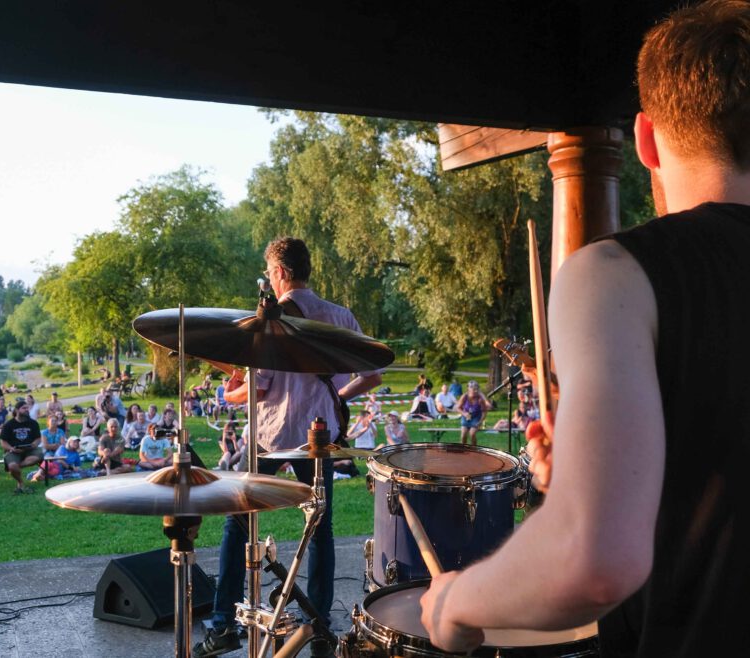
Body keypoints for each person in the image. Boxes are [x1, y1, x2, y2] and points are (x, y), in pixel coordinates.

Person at [420, 3, 750, 656]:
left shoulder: (617, 273)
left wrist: (455, 602)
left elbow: (597, 559)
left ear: (646, 138)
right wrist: (584, 479)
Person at [194, 237, 382, 657]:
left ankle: (224, 623)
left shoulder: (268, 323)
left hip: (271, 437)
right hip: (319, 438)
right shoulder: (340, 317)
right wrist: (337, 396)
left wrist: (229, 394)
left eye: (269, 273)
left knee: (238, 523)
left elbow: (257, 389)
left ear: (279, 272)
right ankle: (317, 622)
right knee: (320, 531)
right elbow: (373, 376)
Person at [0, 400, 43, 494]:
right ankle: (21, 482)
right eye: (24, 408)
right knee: (12, 465)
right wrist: (11, 448)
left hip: (30, 449)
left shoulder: (33, 423)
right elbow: (3, 442)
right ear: (17, 410)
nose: (27, 410)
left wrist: (34, 444)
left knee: (38, 455)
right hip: (14, 450)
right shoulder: (9, 424)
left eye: (27, 408)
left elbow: (38, 438)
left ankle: (16, 467)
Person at [454, 381, 488, 446]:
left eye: (476, 389)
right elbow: (458, 408)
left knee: (472, 434)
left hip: (476, 418)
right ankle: (463, 449)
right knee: (463, 434)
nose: (475, 391)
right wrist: (464, 413)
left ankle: (473, 449)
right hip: (466, 417)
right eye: (473, 389)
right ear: (469, 389)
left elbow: (484, 411)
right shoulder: (464, 396)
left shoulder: (480, 399)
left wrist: (480, 422)